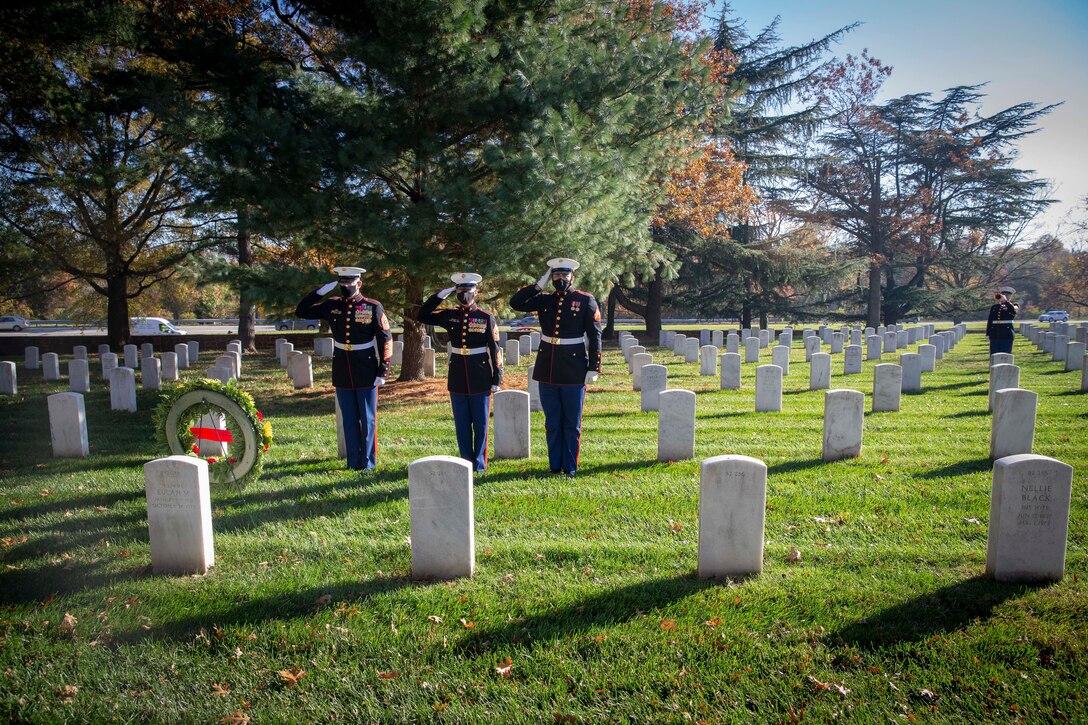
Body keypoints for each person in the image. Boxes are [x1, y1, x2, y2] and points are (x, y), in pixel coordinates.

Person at [509, 258, 602, 478]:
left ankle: (569, 467)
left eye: (564, 275)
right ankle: (554, 466)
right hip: (547, 366)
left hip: (574, 368)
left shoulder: (585, 300)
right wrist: (538, 286)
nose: (560, 279)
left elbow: (595, 335)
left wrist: (594, 367)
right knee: (552, 422)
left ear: (572, 277)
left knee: (571, 422)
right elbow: (516, 303)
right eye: (556, 275)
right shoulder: (543, 300)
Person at [296, 266, 391, 470]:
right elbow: (301, 311)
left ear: (359, 283)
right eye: (342, 283)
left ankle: (367, 463)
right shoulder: (332, 305)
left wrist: (384, 368)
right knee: (348, 418)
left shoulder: (373, 306)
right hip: (342, 365)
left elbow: (385, 338)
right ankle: (352, 462)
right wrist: (320, 292)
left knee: (367, 419)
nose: (346, 287)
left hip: (365, 366)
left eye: (349, 283)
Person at [417, 273, 504, 472]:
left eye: (468, 290)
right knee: (462, 423)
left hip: (480, 373)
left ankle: (479, 464)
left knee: (480, 424)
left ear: (476, 292)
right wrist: (441, 295)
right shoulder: (450, 315)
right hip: (457, 373)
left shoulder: (485, 317)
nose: (464, 294)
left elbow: (495, 349)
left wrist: (497, 377)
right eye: (460, 290)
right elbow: (422, 315)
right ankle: (465, 461)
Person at [985, 285, 1019, 355]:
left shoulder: (1014, 306)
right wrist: (988, 333)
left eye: (1007, 295)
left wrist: (1006, 301)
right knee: (994, 354)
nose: (1005, 296)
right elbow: (990, 321)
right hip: (995, 334)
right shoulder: (995, 307)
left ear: (1010, 296)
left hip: (1006, 334)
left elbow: (1013, 312)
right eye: (1003, 295)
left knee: (1005, 354)